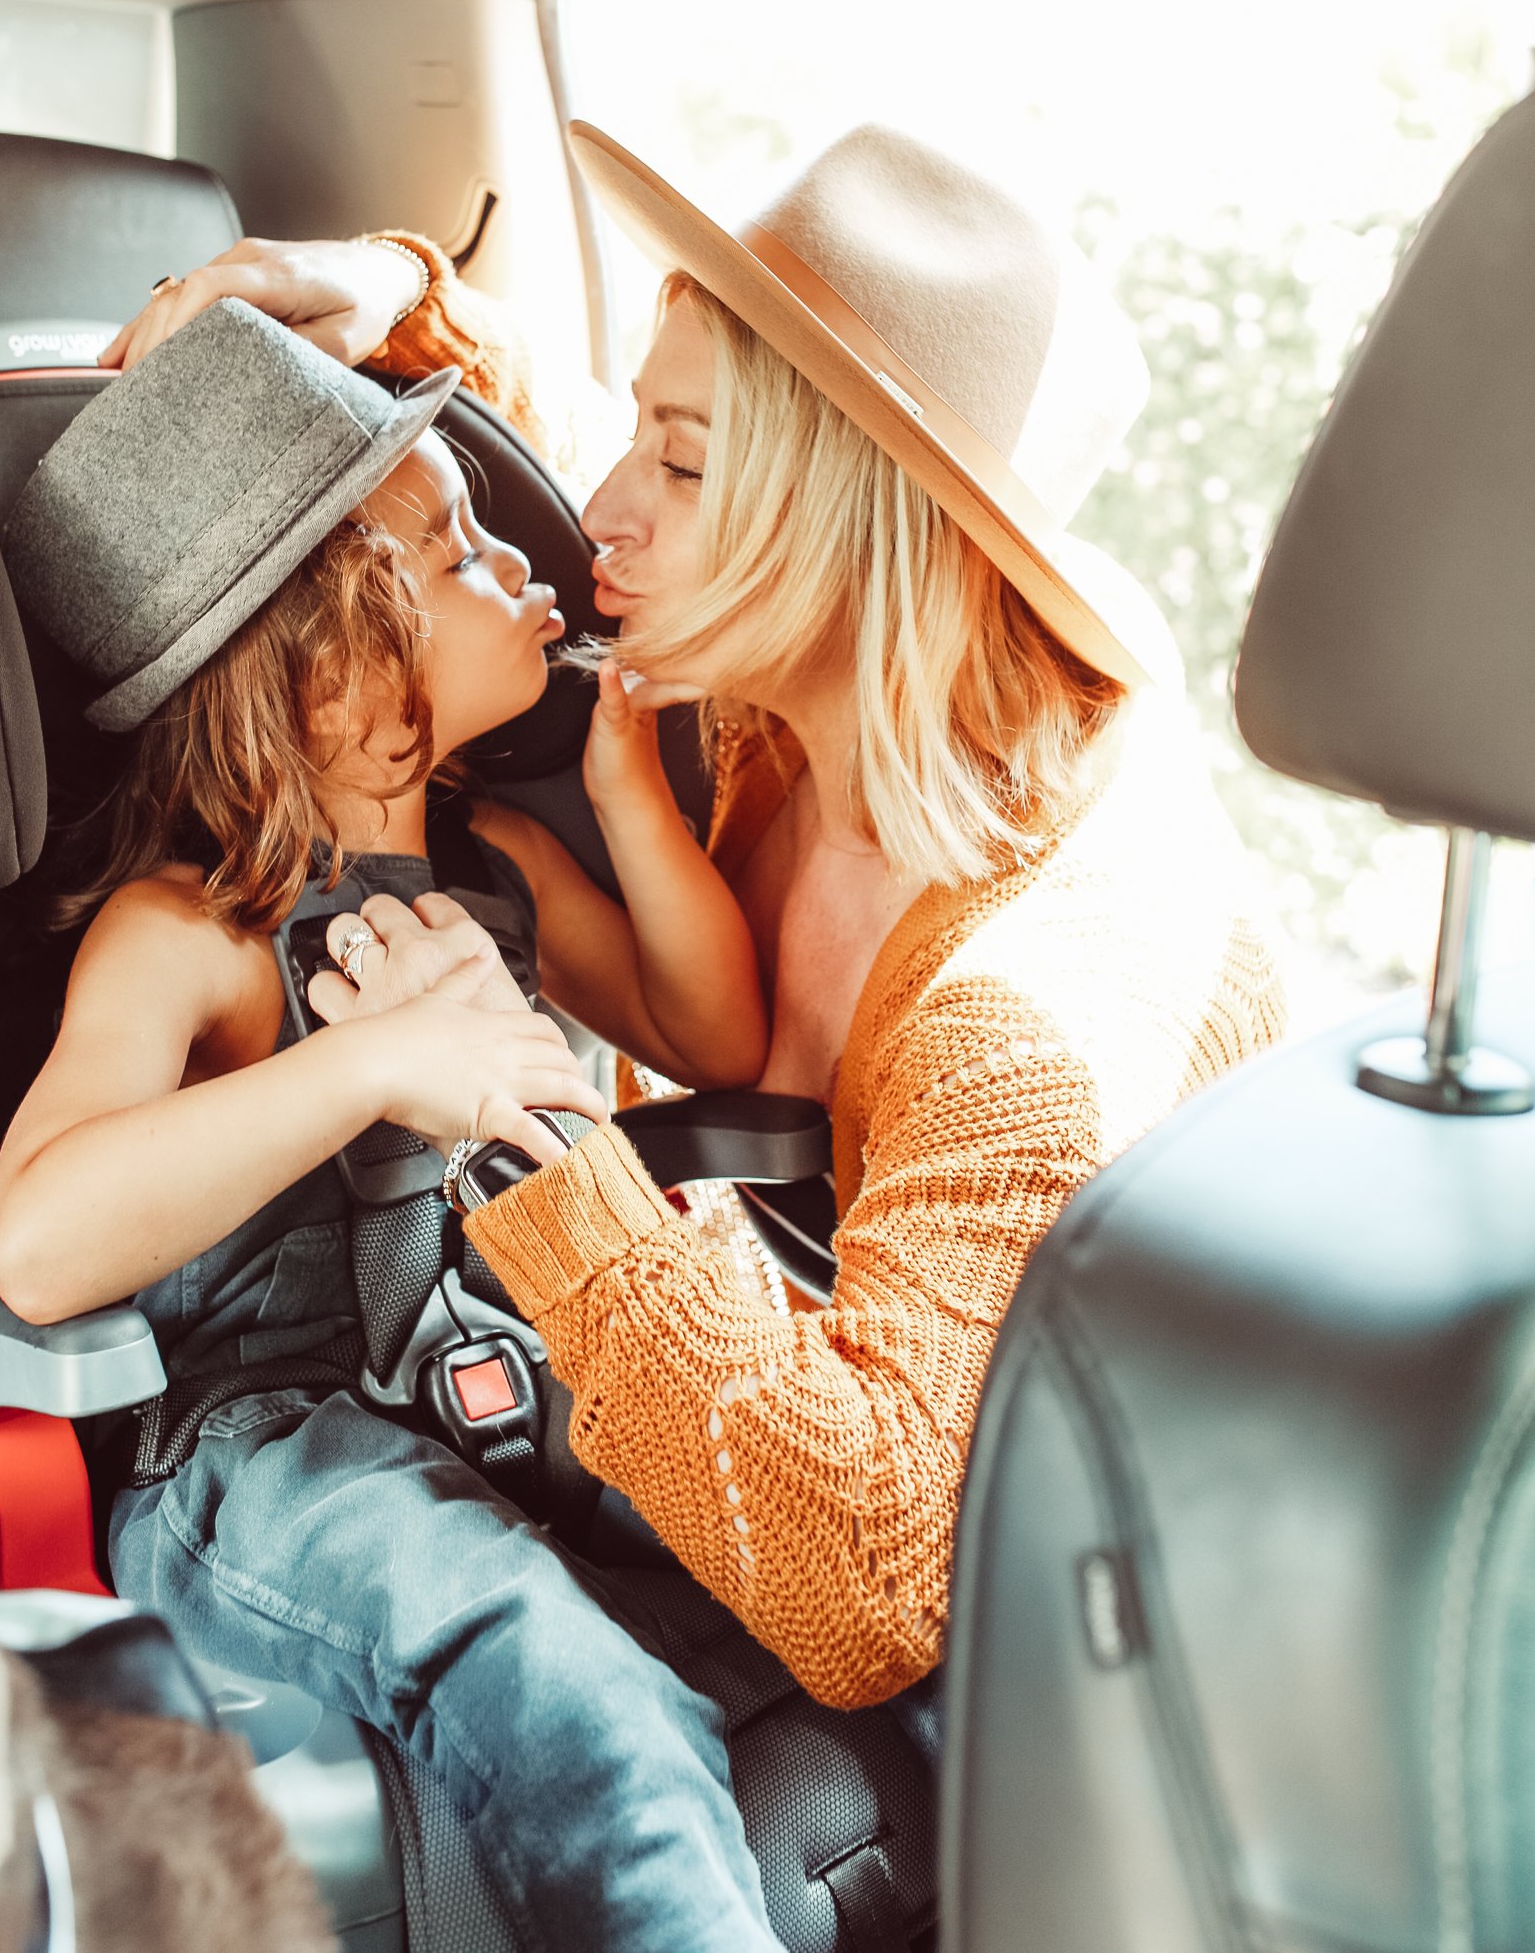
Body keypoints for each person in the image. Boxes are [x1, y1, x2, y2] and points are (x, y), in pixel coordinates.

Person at [100, 124, 1287, 1719]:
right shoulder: (777, 691)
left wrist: (529, 1120)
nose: (597, 502)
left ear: (856, 520)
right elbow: (517, 470)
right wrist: (381, 283)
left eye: (679, 462)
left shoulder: (1029, 1009)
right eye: (642, 437)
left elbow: (870, 1583)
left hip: (1071, 1635)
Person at [0, 299, 785, 1953]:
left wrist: (626, 790)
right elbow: (38, 1244)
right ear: (334, 664)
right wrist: (365, 1068)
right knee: (546, 1670)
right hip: (266, 1451)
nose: (523, 561)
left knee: (768, 1542)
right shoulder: (190, 931)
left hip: (504, 1376)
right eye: (459, 551)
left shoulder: (507, 872)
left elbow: (717, 1035)